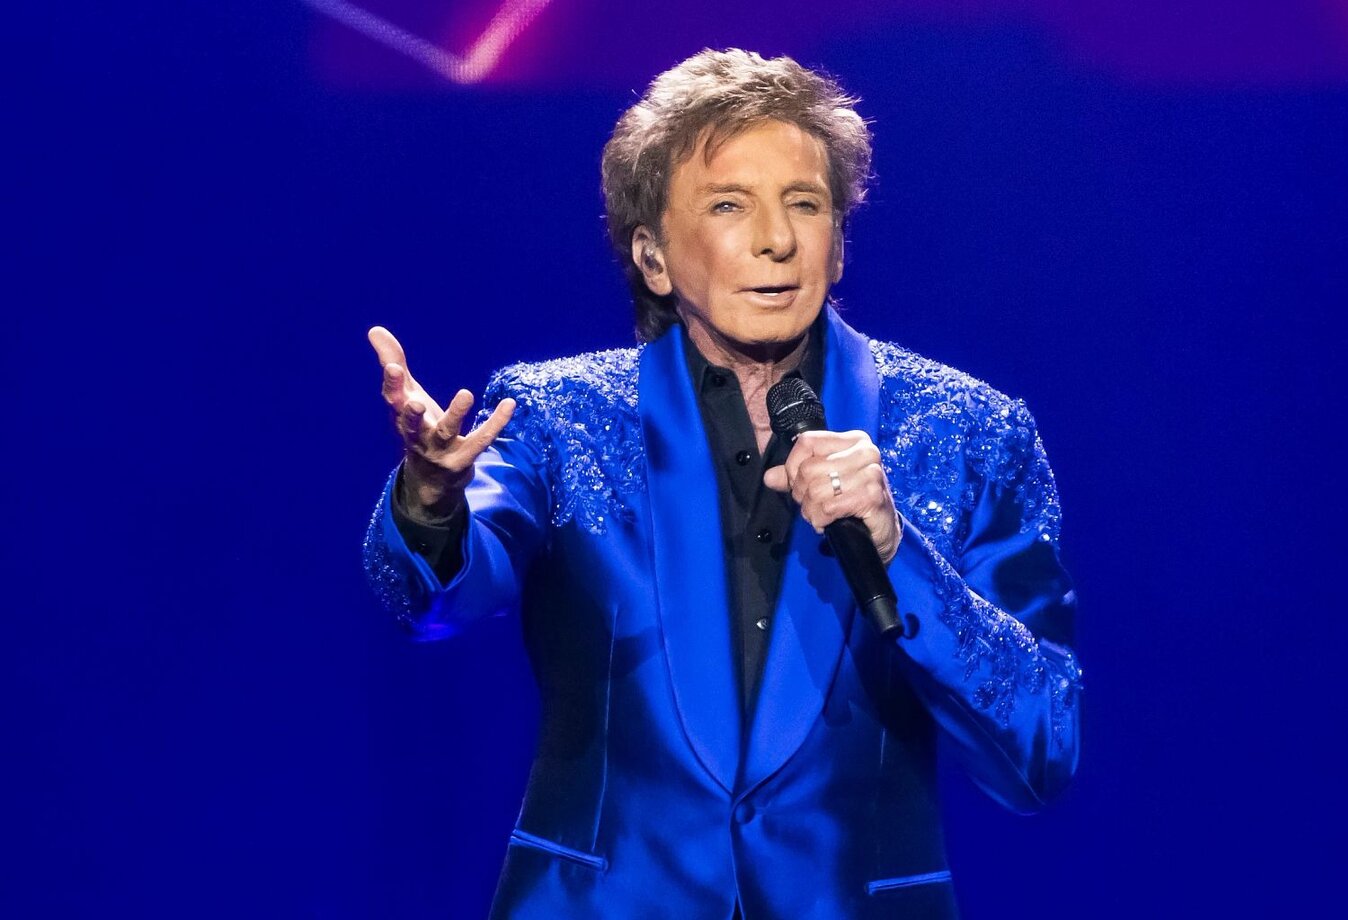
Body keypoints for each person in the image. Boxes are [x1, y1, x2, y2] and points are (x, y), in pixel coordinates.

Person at [363, 48, 1082, 920]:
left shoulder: (969, 432)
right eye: (729, 205)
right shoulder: (557, 415)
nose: (777, 238)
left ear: (839, 245)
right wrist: (431, 501)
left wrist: (900, 552)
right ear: (654, 257)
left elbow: (1043, 750)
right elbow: (435, 600)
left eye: (804, 204)